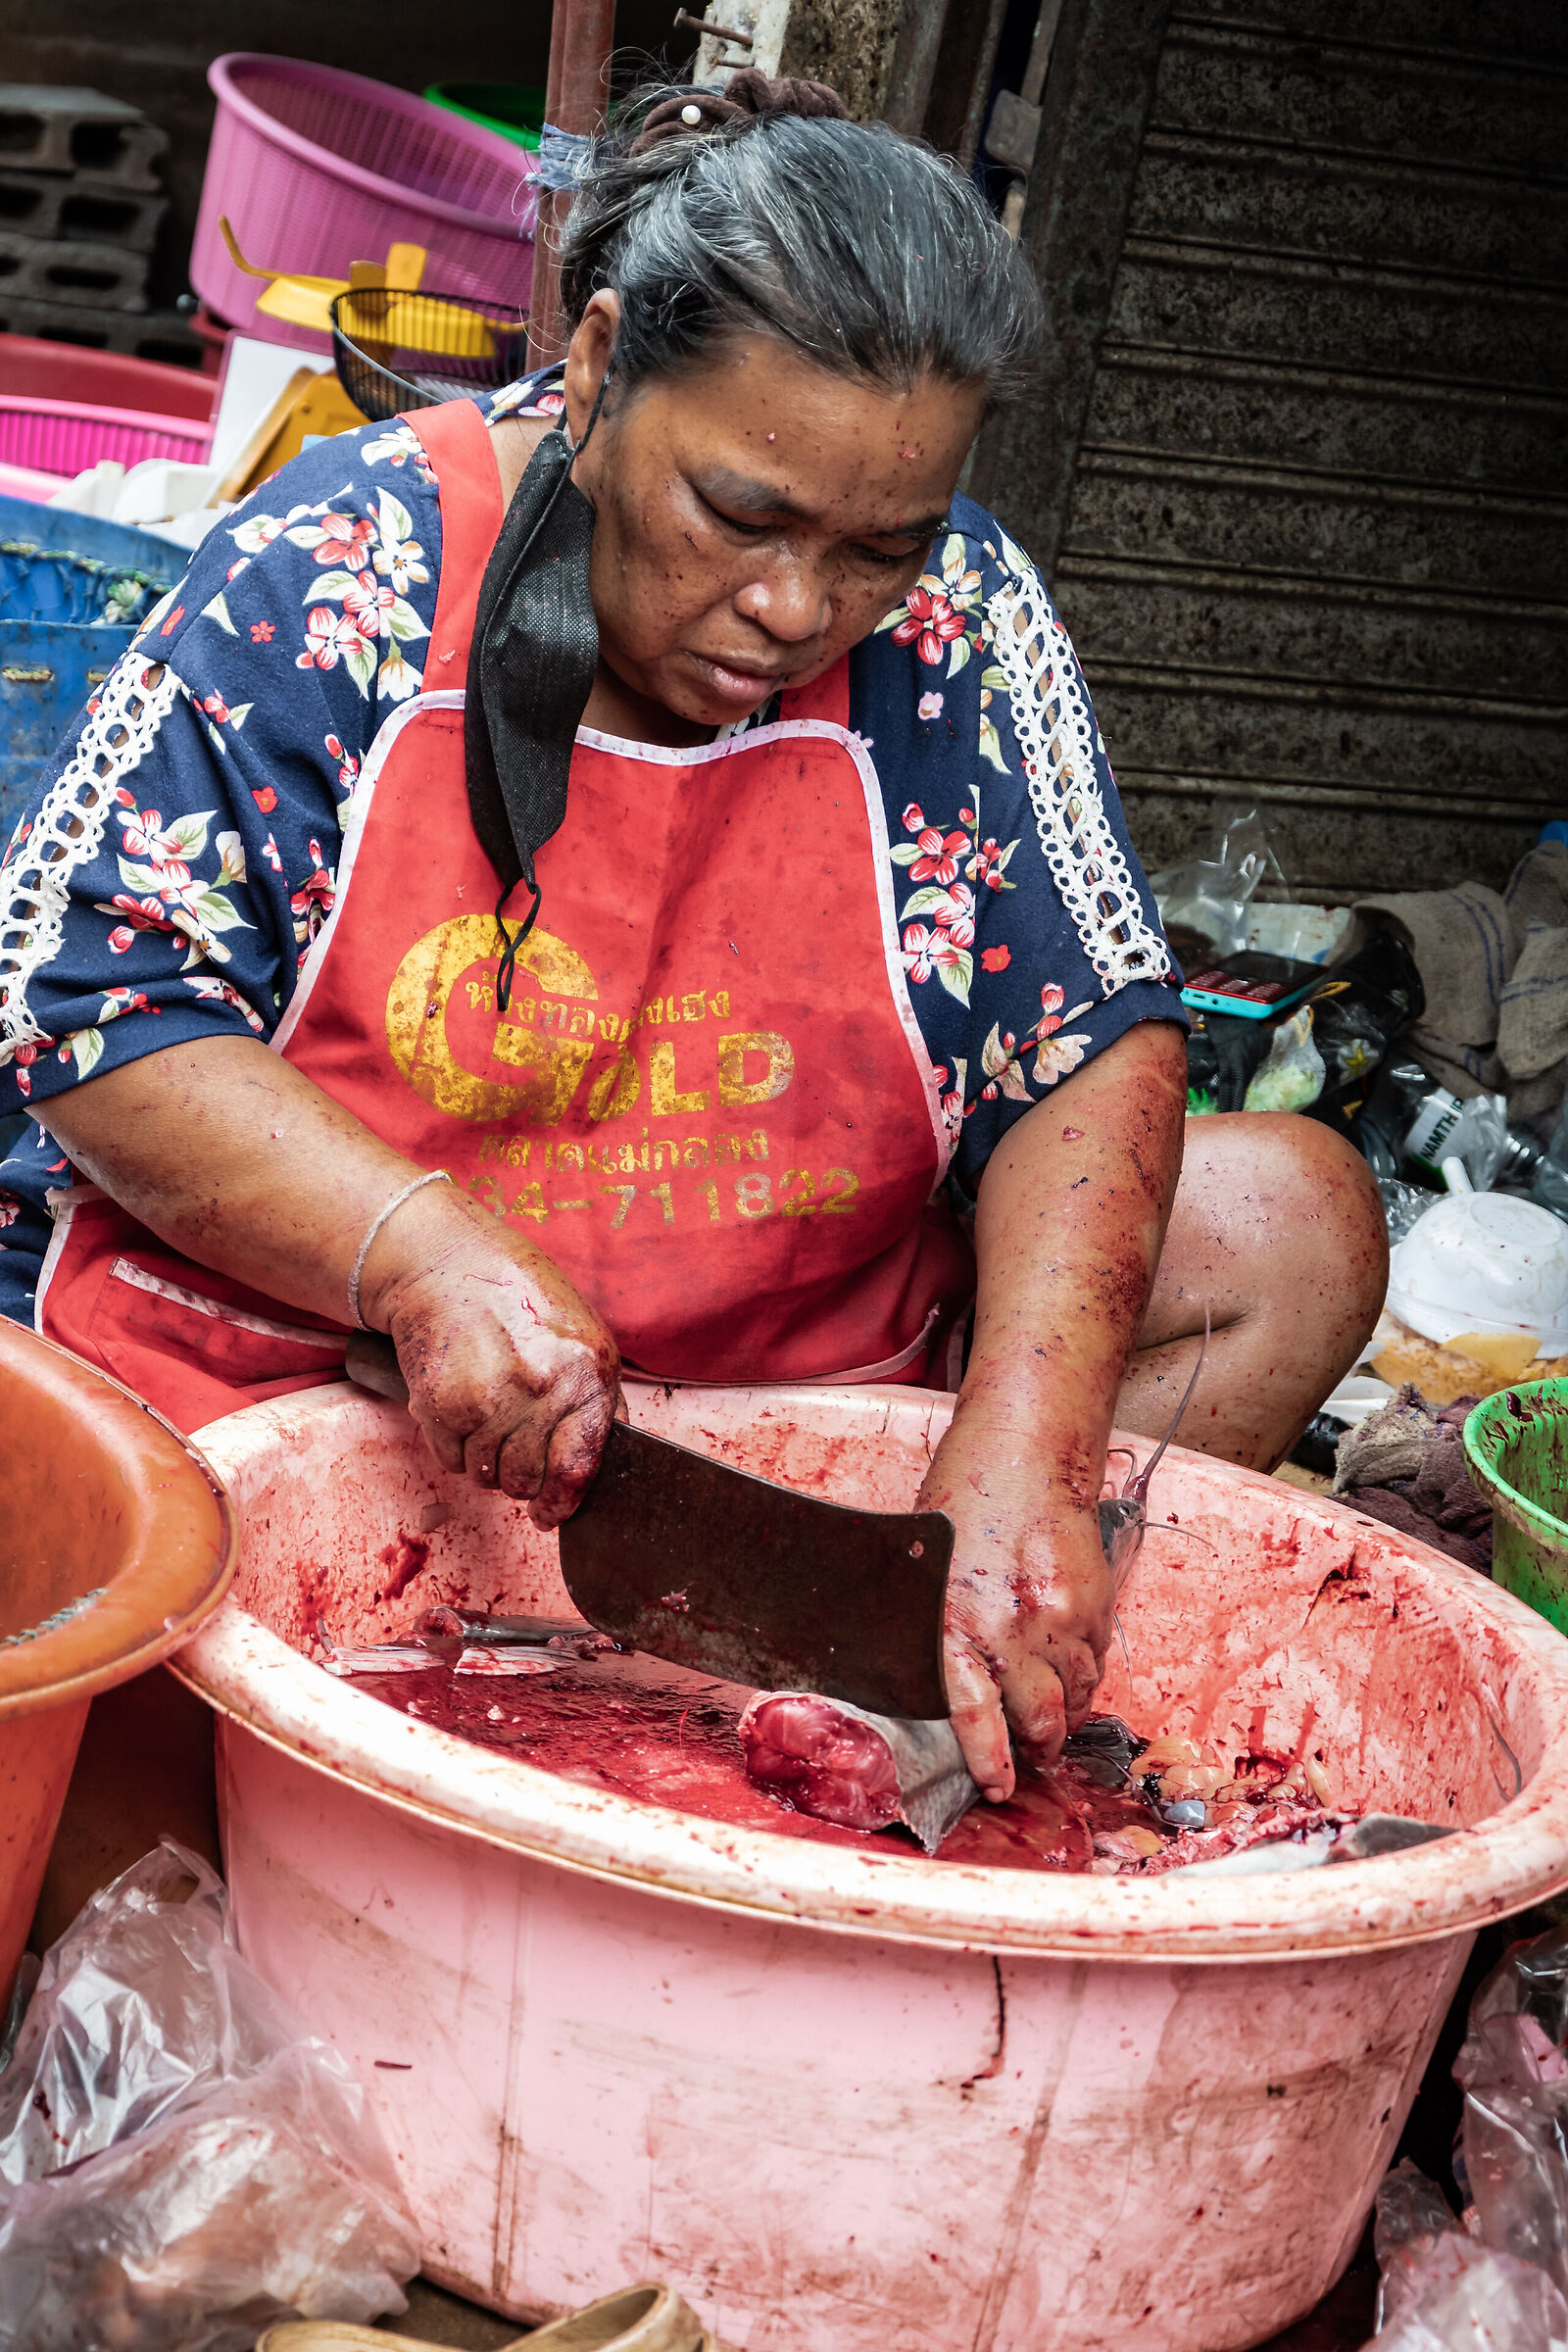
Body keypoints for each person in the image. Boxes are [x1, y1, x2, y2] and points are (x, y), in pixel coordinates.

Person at [0, 74, 1386, 1806]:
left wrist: (1030, 1450)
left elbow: (1090, 1030)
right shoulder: (335, 564)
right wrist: (421, 1255)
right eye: (739, 518)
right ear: (593, 371)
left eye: (878, 547)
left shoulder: (964, 614)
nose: (801, 611)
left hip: (780, 1396)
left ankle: (908, 1705)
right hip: (343, 1389)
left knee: (1293, 1224)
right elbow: (79, 998)